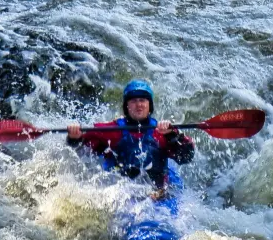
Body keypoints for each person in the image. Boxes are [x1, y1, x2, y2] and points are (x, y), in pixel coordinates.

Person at [66, 79, 195, 195]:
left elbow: (186, 157)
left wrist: (173, 135)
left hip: (158, 193)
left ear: (149, 105)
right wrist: (75, 137)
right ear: (126, 106)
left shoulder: (163, 131)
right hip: (123, 191)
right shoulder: (111, 130)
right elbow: (79, 150)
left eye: (143, 100)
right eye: (133, 101)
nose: (139, 104)